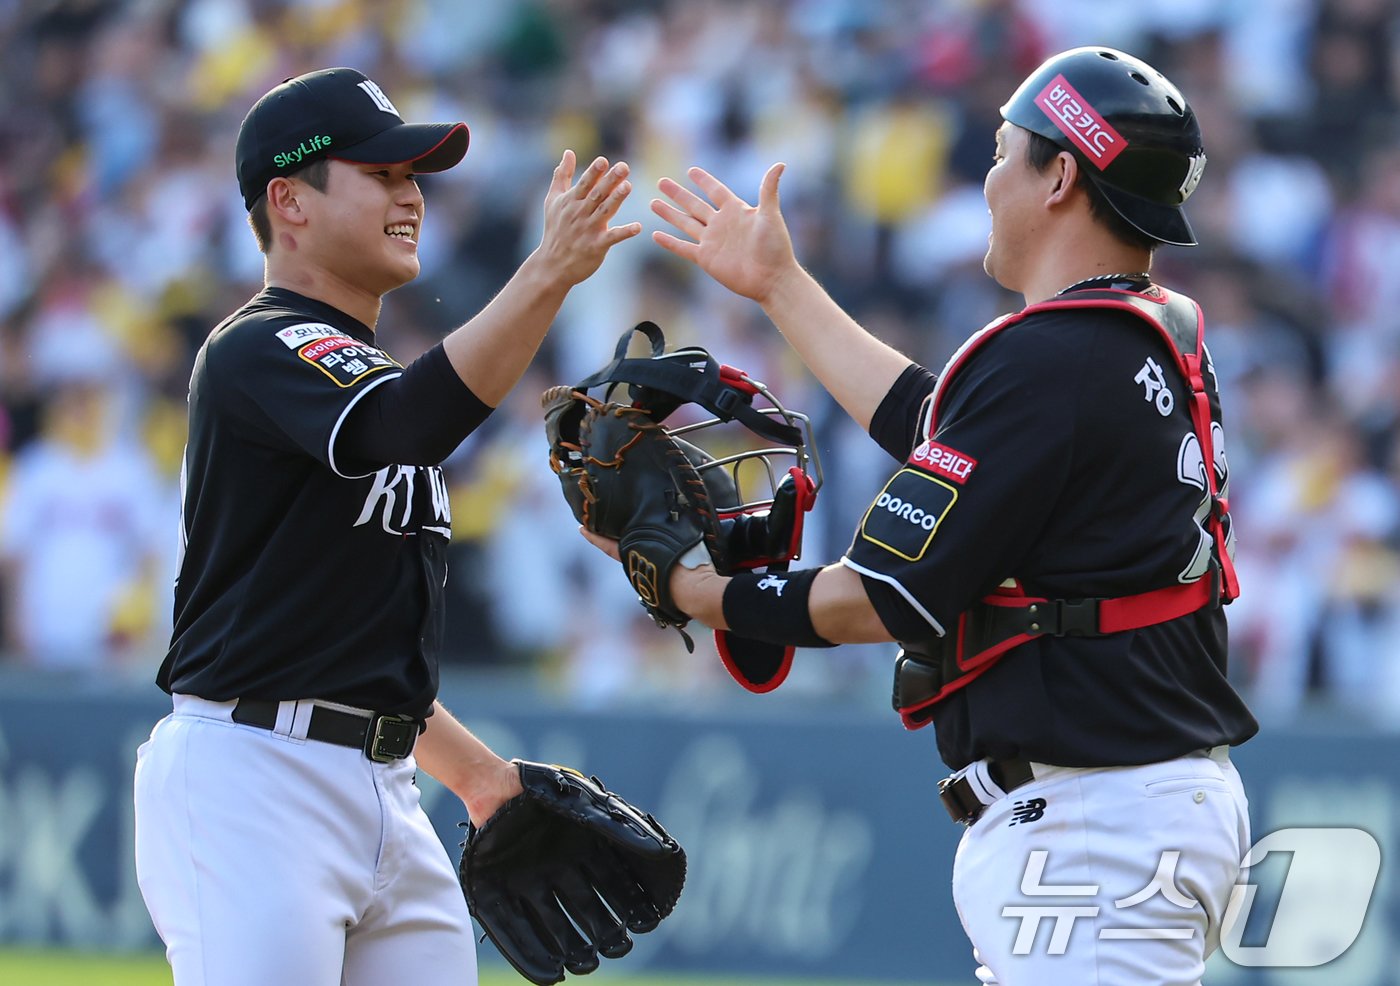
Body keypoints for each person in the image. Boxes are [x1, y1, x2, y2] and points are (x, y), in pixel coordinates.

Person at [627, 46, 1259, 984]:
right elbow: (954, 424)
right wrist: (780, 287)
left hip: (1094, 823)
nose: (988, 176)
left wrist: (688, 586)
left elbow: (880, 598)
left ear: (1060, 176)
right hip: (1135, 799)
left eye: (1005, 152)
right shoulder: (1146, 334)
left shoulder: (1053, 357)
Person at [133, 67, 639, 986]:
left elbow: (347, 652)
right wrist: (548, 272)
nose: (411, 194)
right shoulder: (263, 343)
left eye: (414, 175)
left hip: (386, 784)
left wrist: (482, 780)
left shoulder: (357, 369)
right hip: (252, 779)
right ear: (289, 202)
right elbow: (404, 423)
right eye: (381, 173)